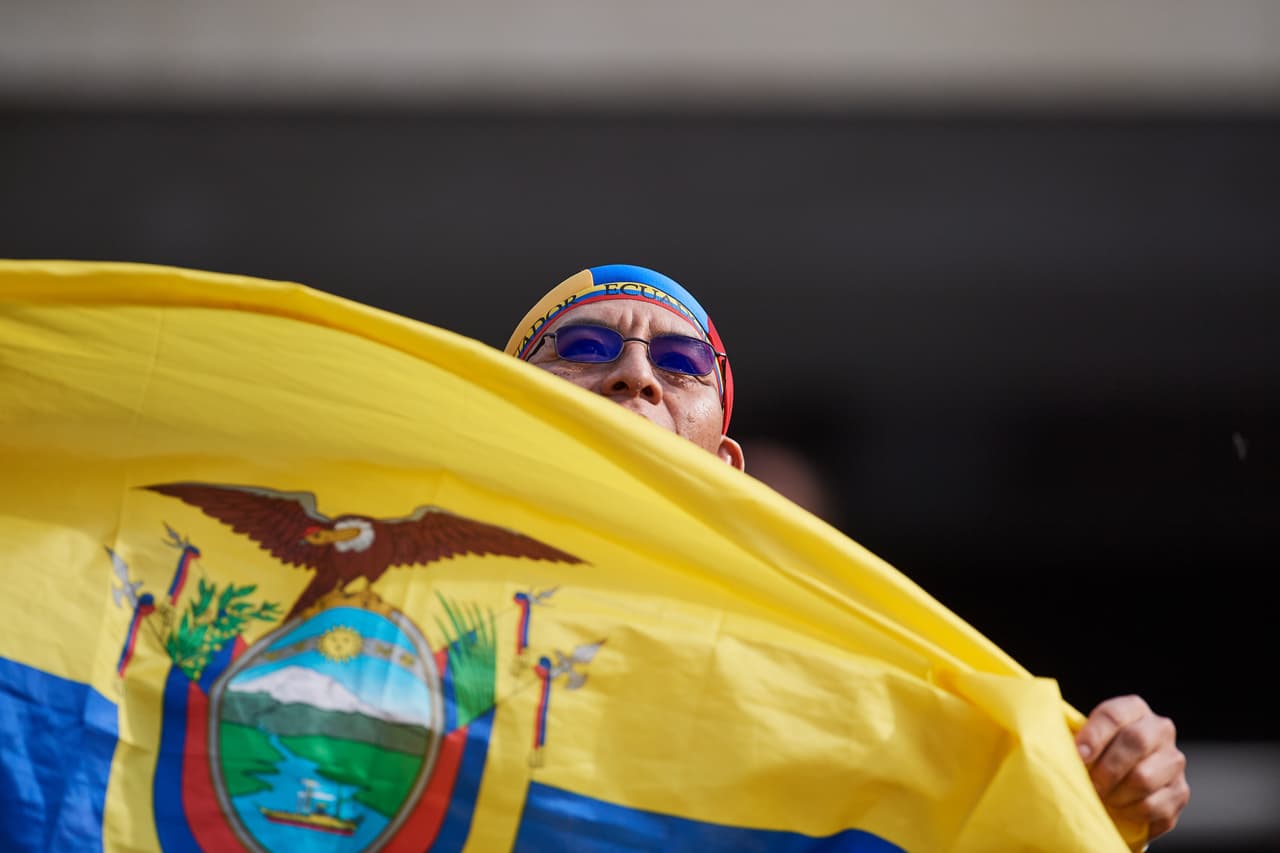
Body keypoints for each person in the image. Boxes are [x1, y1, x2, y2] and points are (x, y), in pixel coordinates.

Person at [504, 263, 1190, 844]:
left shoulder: (829, 669)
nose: (634, 373)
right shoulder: (401, 596)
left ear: (726, 466)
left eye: (681, 363)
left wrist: (1097, 796)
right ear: (503, 420)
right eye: (585, 347)